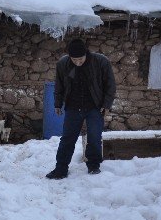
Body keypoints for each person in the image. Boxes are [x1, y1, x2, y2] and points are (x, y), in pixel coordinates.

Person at [46, 38, 116, 179]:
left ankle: (94, 165)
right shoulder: (63, 64)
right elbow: (59, 85)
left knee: (95, 137)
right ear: (69, 57)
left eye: (81, 59)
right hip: (73, 107)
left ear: (86, 54)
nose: (78, 63)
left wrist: (106, 104)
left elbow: (110, 85)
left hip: (95, 107)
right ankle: (61, 168)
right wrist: (58, 104)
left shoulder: (100, 62)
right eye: (74, 60)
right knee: (67, 138)